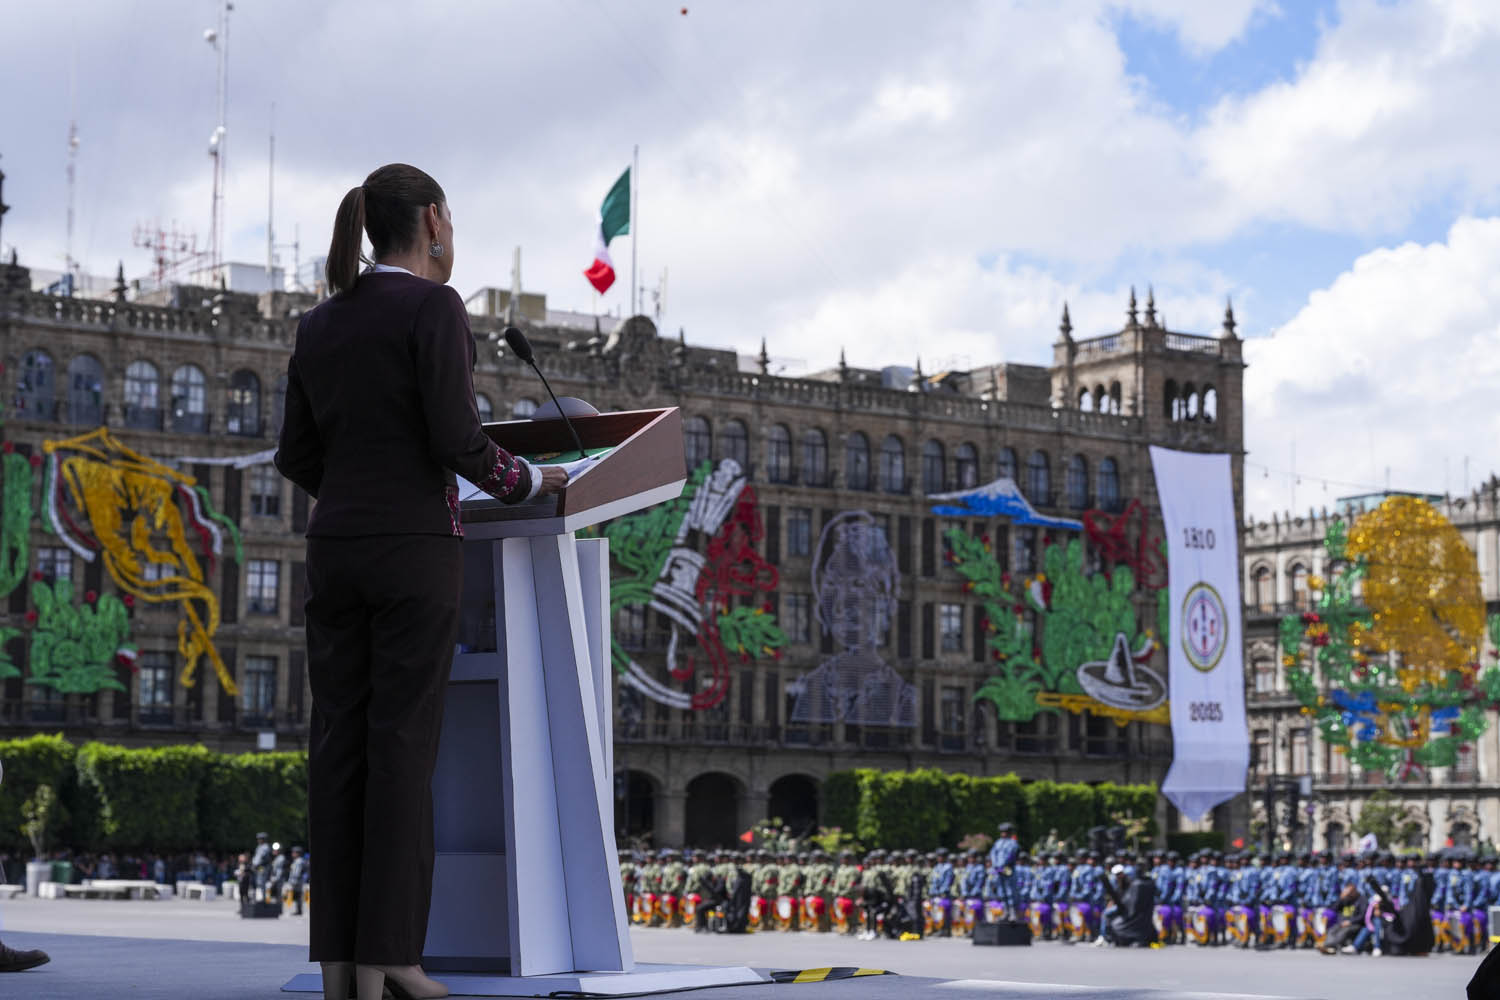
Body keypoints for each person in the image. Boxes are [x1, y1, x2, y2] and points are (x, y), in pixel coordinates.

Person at [275, 163, 568, 1000]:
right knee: (402, 752)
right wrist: (530, 483)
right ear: (433, 219)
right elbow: (458, 437)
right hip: (413, 553)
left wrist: (358, 484)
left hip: (335, 549)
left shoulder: (320, 322)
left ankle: (341, 969)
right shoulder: (435, 307)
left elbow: (298, 455)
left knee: (338, 754)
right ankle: (395, 960)